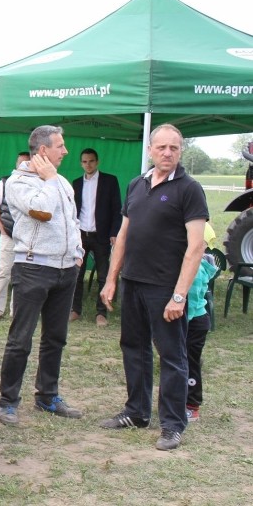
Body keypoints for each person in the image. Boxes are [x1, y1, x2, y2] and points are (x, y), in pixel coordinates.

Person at [99, 123, 208, 451]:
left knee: (173, 356)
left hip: (165, 289)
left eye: (174, 148)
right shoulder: (137, 184)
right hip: (133, 283)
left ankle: (174, 424)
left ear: (180, 151)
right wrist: (111, 279)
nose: (167, 153)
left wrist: (179, 294)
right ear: (150, 150)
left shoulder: (189, 189)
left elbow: (196, 247)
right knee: (133, 348)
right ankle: (136, 412)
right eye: (161, 147)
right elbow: (123, 236)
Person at [0, 126, 84, 426]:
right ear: (43, 151)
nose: (66, 151)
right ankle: (8, 401)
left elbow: (71, 220)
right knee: (21, 339)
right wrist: (48, 180)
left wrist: (78, 251)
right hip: (33, 268)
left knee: (55, 339)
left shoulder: (60, 181)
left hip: (64, 270)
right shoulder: (18, 182)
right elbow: (42, 210)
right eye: (60, 146)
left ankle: (47, 396)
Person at [70, 148, 122, 327]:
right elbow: (72, 211)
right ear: (81, 163)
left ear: (97, 162)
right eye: (84, 161)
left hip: (101, 235)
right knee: (76, 275)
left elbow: (117, 209)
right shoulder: (76, 184)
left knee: (103, 275)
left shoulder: (110, 181)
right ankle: (75, 310)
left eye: (91, 161)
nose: (88, 164)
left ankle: (101, 313)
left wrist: (114, 232)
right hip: (81, 235)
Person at [0, 151, 30, 321]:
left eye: (28, 163)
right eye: (22, 163)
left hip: (27, 237)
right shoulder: (4, 182)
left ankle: (16, 310)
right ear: (16, 165)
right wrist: (2, 227)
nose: (25, 166)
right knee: (4, 271)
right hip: (8, 235)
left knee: (22, 274)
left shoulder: (36, 184)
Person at [185, 221, 218, 422]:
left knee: (191, 363)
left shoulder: (197, 268)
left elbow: (192, 295)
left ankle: (192, 406)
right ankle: (176, 400)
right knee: (178, 362)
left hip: (194, 321)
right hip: (187, 320)